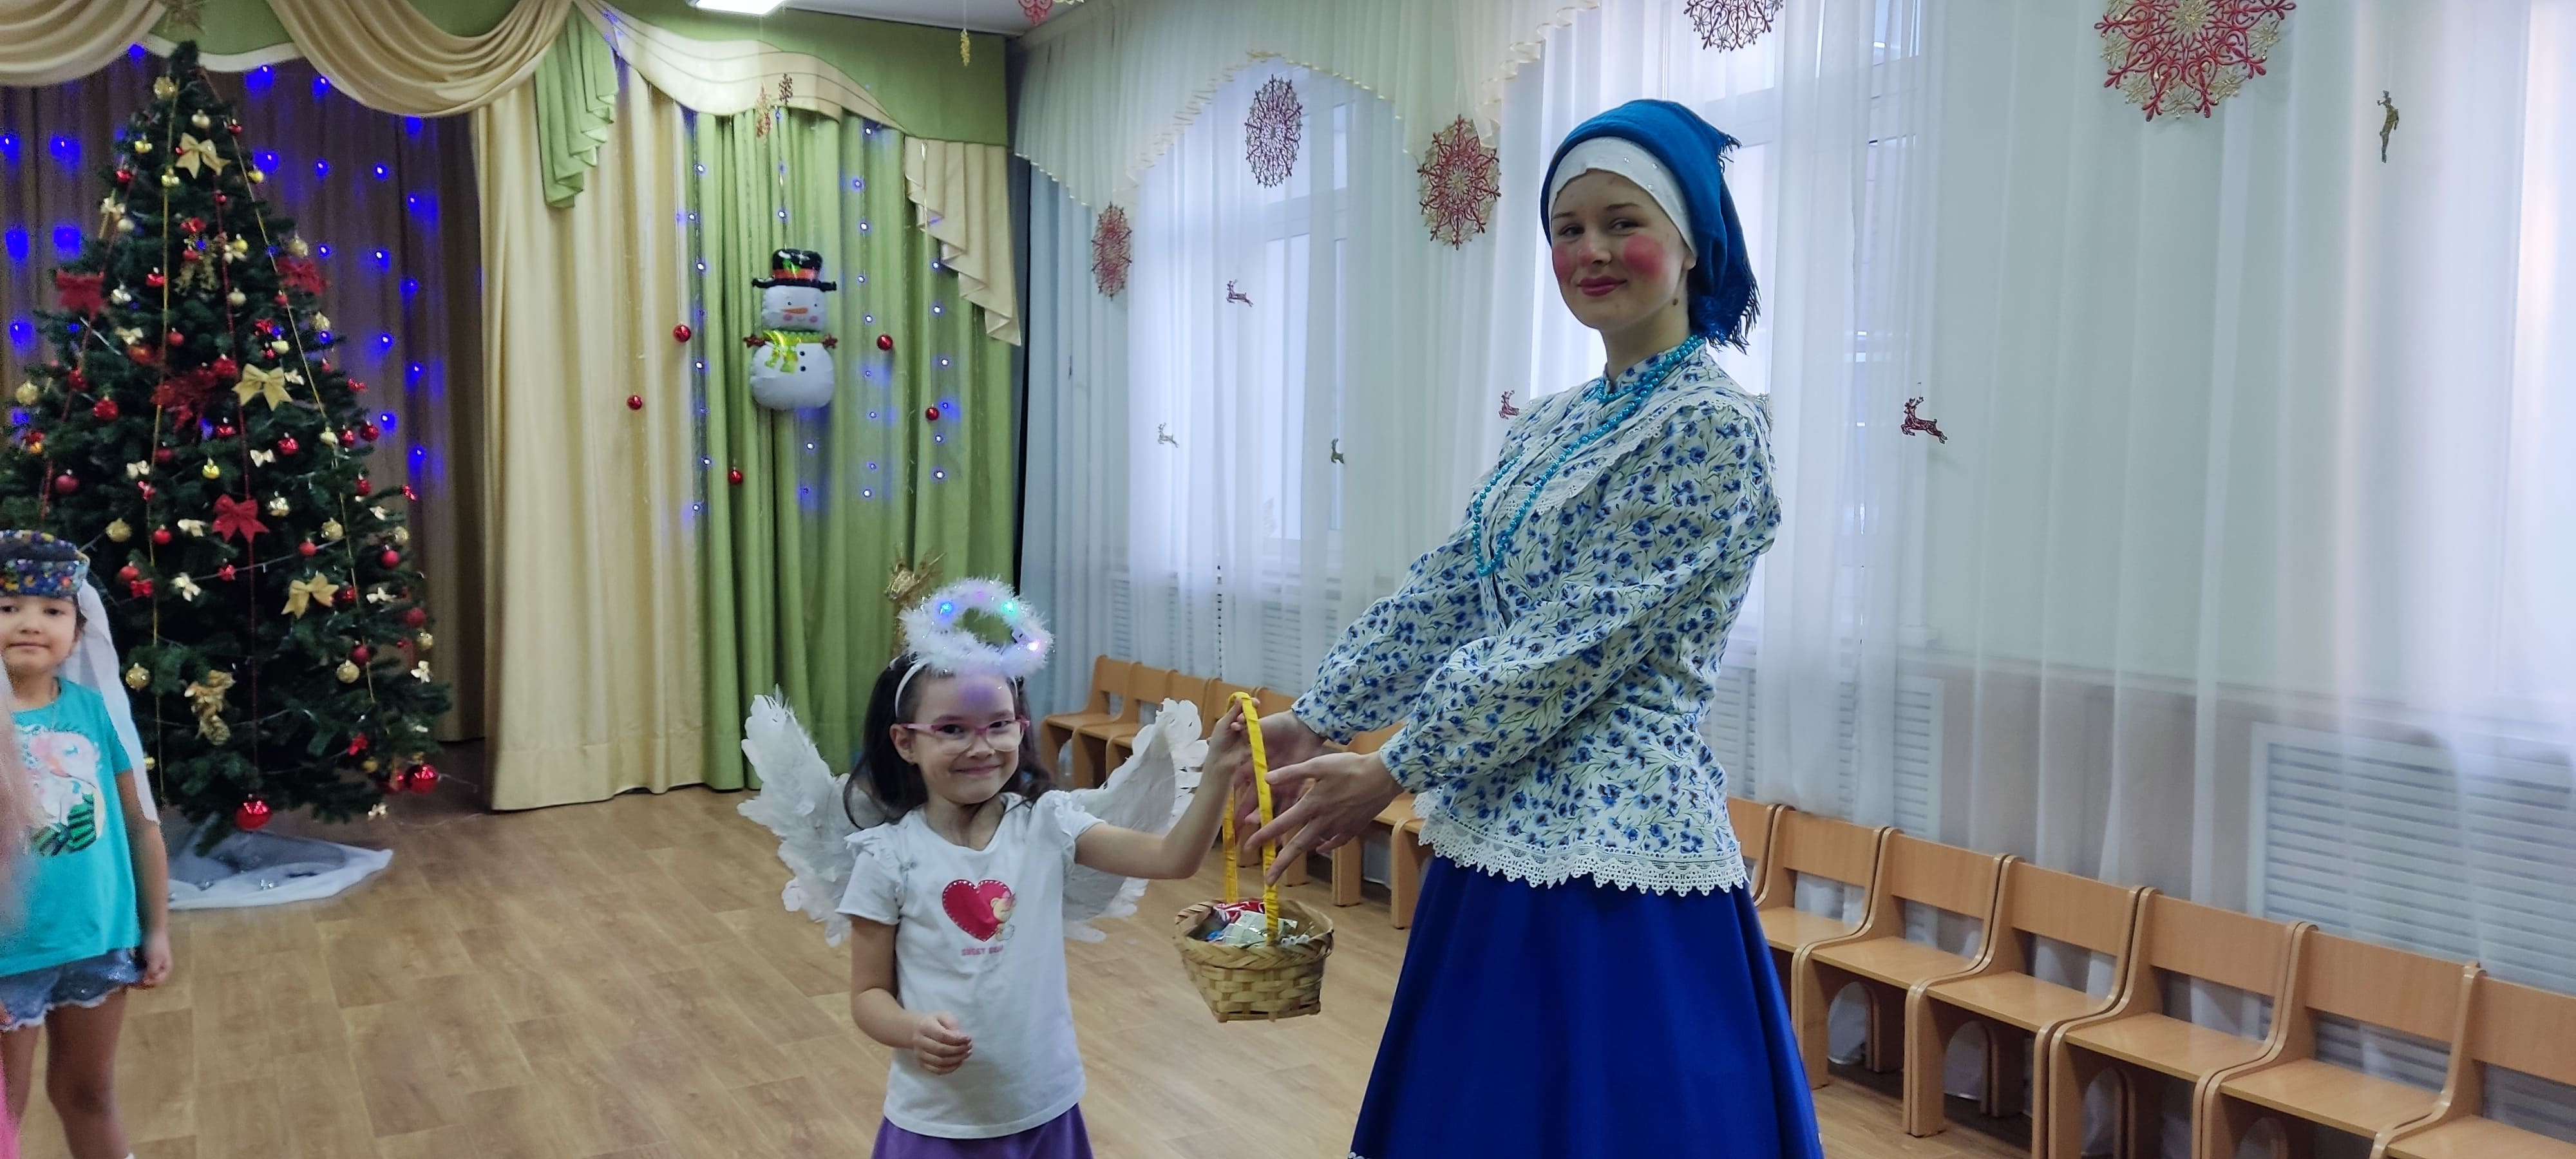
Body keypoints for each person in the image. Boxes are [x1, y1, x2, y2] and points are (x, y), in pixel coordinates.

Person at [1220, 99, 1823, 1158]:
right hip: (1500, 828)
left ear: (1690, 243)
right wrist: (1322, 715)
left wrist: (1397, 763)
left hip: (1613, 856)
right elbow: (1456, 586)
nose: (1592, 250)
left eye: (1623, 222)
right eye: (1568, 228)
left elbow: (1574, 645)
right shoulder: (1551, 422)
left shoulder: (1711, 428)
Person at [836, 639, 1240, 1158]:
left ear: (1020, 727)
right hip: (937, 1121)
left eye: (999, 725)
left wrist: (1220, 772)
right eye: (953, 729)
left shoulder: (1049, 824)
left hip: (1046, 1107)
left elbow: (1171, 858)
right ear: (905, 741)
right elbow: (868, 995)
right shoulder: (887, 857)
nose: (982, 747)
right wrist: (910, 1029)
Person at [0, 531, 173, 1159]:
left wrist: (155, 930)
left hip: (98, 943)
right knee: (5, 1118)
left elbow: (140, 825)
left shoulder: (95, 713)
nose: (30, 623)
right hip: (8, 962)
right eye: (8, 607)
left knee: (90, 1094)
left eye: (52, 610)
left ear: (76, 633)